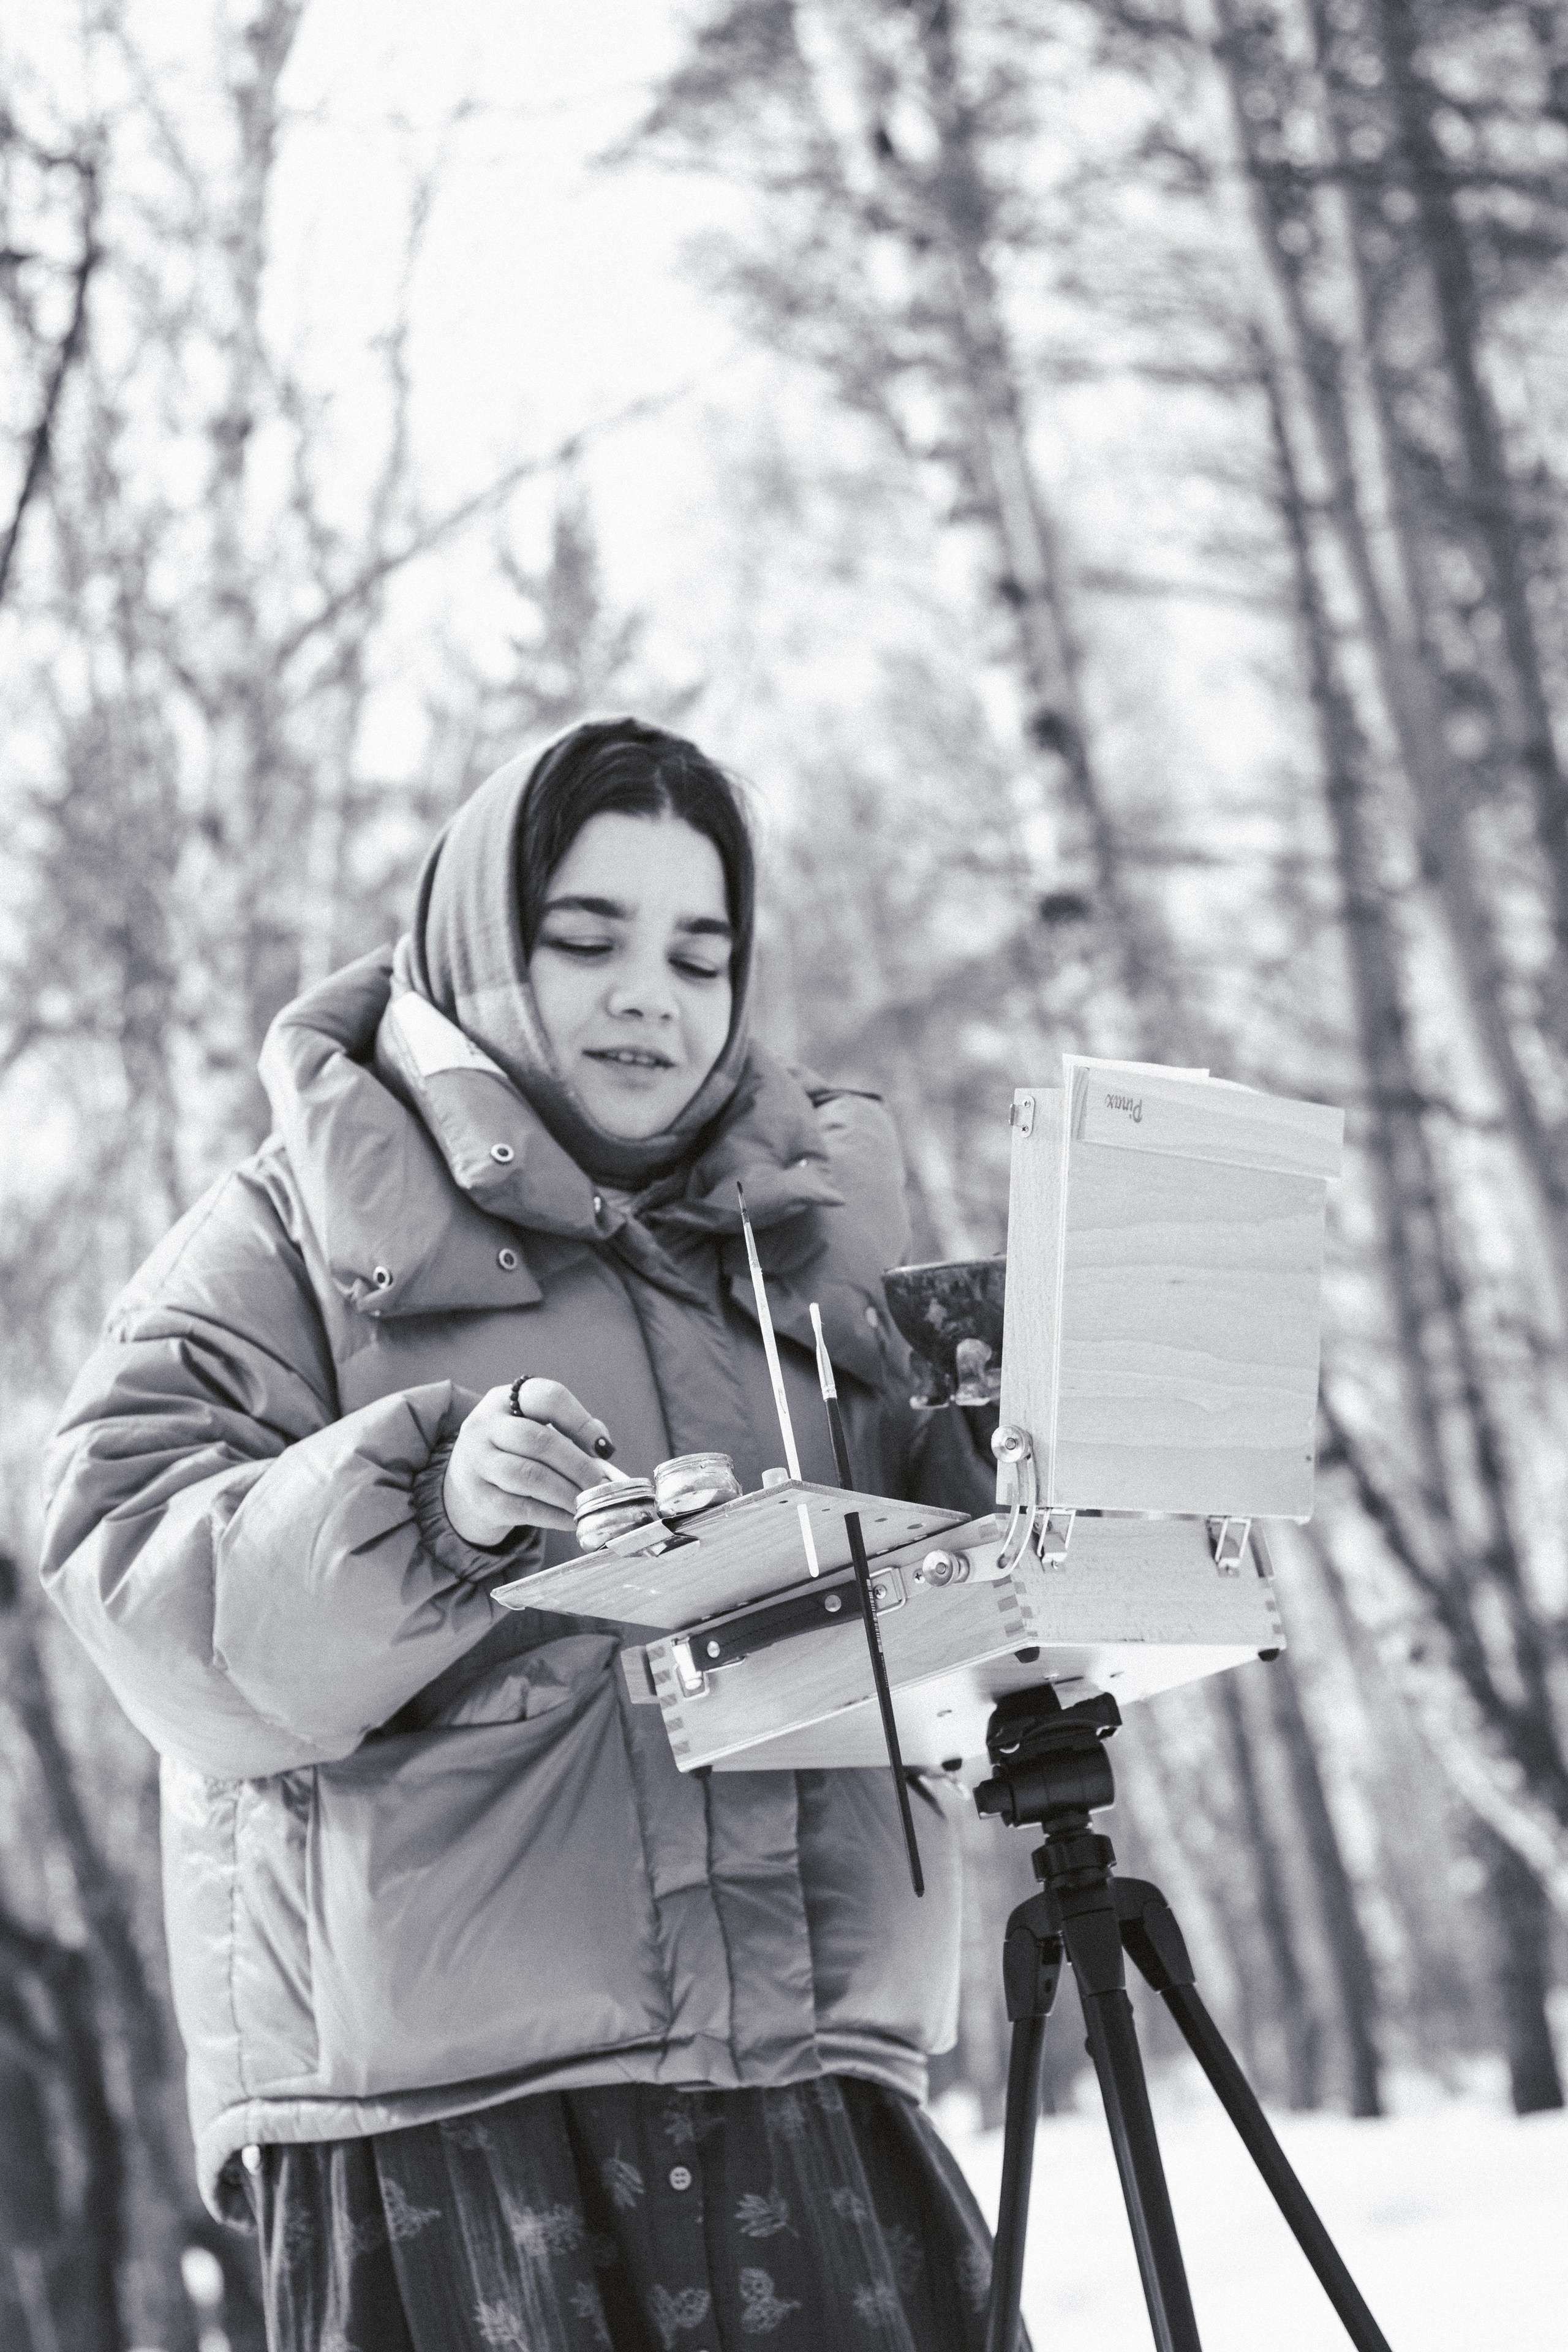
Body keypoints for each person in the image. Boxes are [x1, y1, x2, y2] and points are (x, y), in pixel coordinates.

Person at [41, 718, 1008, 2351]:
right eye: (589, 939)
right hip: (460, 2148)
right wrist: (429, 1504)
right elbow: (136, 1580)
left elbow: (934, 1592)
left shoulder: (809, 1247)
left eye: (702, 951)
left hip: (824, 2097)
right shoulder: (299, 1221)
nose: (655, 992)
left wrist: (1007, 1462)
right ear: (482, 945)